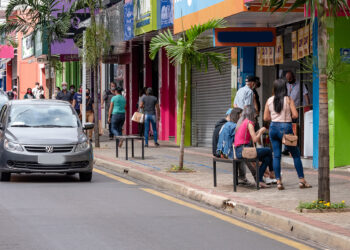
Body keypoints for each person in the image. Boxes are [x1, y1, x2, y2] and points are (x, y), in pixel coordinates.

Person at [264, 79, 312, 190]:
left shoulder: (269, 100)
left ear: (274, 89)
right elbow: (295, 115)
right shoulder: (288, 99)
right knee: (295, 154)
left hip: (273, 128)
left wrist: (275, 117)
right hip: (285, 127)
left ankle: (279, 182)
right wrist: (287, 115)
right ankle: (301, 180)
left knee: (276, 155)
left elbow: (266, 118)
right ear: (284, 88)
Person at [234, 106, 272, 188]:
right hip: (245, 151)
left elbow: (251, 136)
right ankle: (271, 173)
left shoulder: (241, 122)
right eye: (255, 114)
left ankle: (260, 180)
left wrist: (258, 132)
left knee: (267, 158)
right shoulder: (249, 123)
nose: (256, 116)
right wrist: (261, 132)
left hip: (239, 150)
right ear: (252, 114)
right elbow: (254, 139)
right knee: (268, 151)